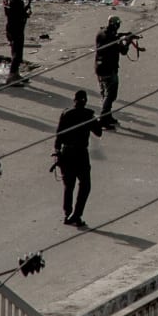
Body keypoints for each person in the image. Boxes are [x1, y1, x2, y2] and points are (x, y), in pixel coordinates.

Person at [54, 89, 104, 226]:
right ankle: (77, 214)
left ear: (74, 100)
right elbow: (98, 133)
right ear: (85, 101)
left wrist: (57, 151)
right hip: (81, 154)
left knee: (68, 186)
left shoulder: (65, 114)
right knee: (85, 185)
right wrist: (97, 120)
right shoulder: (88, 115)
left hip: (66, 153)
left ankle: (67, 213)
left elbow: (59, 135)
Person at [94, 15, 136, 126]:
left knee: (104, 93)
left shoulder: (101, 33)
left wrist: (124, 35)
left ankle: (107, 116)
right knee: (111, 95)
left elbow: (114, 35)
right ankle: (103, 118)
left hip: (99, 68)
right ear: (116, 25)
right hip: (109, 69)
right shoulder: (111, 39)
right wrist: (127, 41)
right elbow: (123, 51)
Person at [3, 0, 31, 83]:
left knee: (14, 50)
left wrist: (25, 9)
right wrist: (27, 12)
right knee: (17, 53)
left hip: (9, 27)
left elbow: (13, 12)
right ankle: (12, 75)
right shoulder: (17, 1)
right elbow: (20, 14)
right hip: (17, 28)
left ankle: (16, 74)